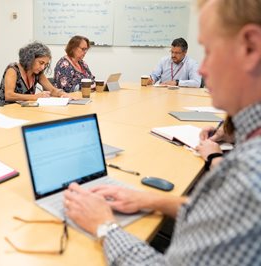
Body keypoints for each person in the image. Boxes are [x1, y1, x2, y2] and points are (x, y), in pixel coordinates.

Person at [64, 0, 261, 265]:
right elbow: (227, 213)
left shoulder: (249, 175)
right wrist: (152, 199)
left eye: (210, 50)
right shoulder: (248, 154)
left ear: (251, 47)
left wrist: (105, 226)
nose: (203, 69)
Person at [0, 42, 70, 106]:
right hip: (3, 109)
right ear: (30, 59)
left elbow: (52, 90)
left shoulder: (37, 73)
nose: (43, 67)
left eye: (45, 64)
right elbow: (9, 95)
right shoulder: (13, 70)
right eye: (41, 63)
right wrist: (35, 97)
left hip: (22, 110)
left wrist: (63, 94)